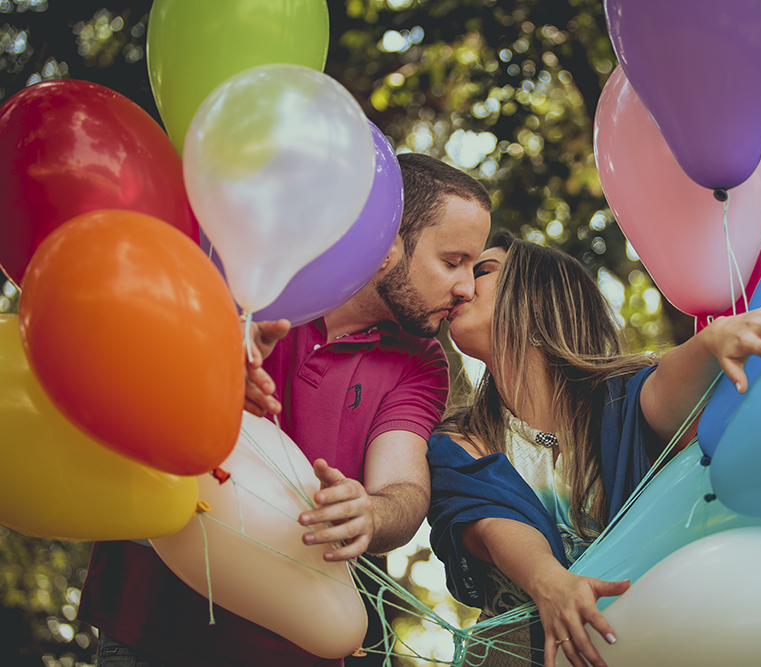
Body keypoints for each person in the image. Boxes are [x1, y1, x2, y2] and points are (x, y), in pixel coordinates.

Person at [79, 153, 493, 667]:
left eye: (474, 267)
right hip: (150, 629)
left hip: (293, 648)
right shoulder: (248, 268)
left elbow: (402, 489)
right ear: (387, 241)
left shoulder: (421, 360)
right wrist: (214, 356)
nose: (467, 287)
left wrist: (371, 512)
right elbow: (118, 369)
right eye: (453, 261)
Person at [427, 230, 761, 667]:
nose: (461, 285)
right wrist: (550, 581)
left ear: (537, 298)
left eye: (482, 270)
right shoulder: (457, 440)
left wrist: (710, 343)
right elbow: (490, 522)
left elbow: (667, 388)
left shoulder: (620, 399)